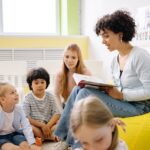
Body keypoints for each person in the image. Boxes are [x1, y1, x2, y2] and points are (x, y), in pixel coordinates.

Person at [54, 10, 150, 149]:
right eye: (101, 36)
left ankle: (74, 144)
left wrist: (122, 94)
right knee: (78, 89)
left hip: (139, 107)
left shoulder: (140, 56)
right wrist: (106, 88)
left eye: (106, 36)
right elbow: (119, 87)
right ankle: (63, 138)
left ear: (120, 34)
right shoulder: (114, 60)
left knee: (84, 94)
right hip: (123, 101)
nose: (102, 41)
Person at [23, 67, 60, 142]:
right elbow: (26, 117)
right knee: (28, 127)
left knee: (61, 123)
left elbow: (57, 114)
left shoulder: (50, 96)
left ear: (46, 83)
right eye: (36, 83)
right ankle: (50, 137)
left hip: (49, 125)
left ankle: (42, 138)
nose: (40, 85)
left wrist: (47, 126)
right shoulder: (28, 98)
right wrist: (42, 126)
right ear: (31, 85)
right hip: (36, 126)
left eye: (42, 82)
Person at [0, 82, 41, 150]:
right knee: (9, 147)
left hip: (15, 133)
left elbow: (26, 126)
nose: (17, 94)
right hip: (1, 137)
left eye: (15, 91)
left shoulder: (19, 109)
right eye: (12, 93)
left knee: (25, 144)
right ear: (2, 99)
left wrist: (32, 143)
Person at [54, 43, 91, 111]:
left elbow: (89, 95)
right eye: (67, 57)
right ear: (63, 57)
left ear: (78, 59)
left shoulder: (85, 73)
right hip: (66, 107)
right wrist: (61, 112)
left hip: (82, 108)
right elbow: (56, 95)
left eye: (73, 57)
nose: (69, 60)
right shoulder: (60, 74)